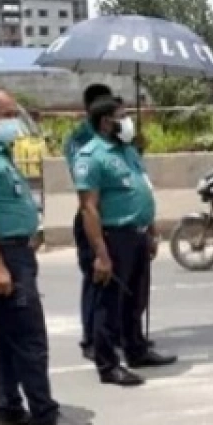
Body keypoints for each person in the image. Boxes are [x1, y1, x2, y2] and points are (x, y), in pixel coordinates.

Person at [0, 88, 92, 425]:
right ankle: (44, 416)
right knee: (30, 338)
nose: (14, 122)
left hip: (14, 251)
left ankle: (8, 410)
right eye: (7, 115)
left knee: (9, 335)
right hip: (2, 255)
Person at [73, 97, 176, 387]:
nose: (129, 120)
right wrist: (101, 254)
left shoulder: (127, 151)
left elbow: (143, 189)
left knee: (136, 298)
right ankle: (108, 365)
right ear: (106, 122)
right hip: (113, 235)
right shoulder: (91, 156)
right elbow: (89, 208)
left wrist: (151, 231)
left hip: (137, 233)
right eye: (123, 115)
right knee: (109, 304)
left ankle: (137, 349)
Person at [65, 83, 118, 360]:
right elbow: (84, 182)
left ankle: (116, 334)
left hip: (118, 220)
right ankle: (91, 338)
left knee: (117, 285)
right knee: (96, 279)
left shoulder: (116, 141)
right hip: (93, 216)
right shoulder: (80, 142)